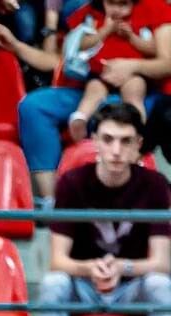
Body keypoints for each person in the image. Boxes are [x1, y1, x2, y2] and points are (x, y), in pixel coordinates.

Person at [39, 102, 171, 316]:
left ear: (138, 144)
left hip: (131, 287)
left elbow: (161, 263)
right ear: (94, 141)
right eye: (108, 139)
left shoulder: (156, 185)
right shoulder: (71, 183)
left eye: (125, 141)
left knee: (162, 286)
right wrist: (90, 268)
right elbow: (57, 261)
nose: (116, 150)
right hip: (84, 286)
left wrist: (121, 266)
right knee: (52, 285)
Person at [14, 0, 171, 198]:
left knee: (118, 108)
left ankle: (124, 199)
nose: (117, 8)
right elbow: (64, 55)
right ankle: (51, 200)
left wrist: (132, 66)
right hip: (91, 85)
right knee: (33, 106)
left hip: (140, 89)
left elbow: (168, 62)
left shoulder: (157, 8)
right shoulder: (87, 13)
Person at [68, 0, 159, 141]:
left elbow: (153, 49)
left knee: (135, 91)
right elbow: (82, 44)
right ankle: (80, 118)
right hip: (101, 70)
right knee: (93, 90)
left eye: (123, 4)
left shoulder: (141, 17)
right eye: (111, 3)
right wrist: (104, 30)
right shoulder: (94, 17)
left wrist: (132, 37)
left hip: (132, 72)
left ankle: (139, 131)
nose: (117, 9)